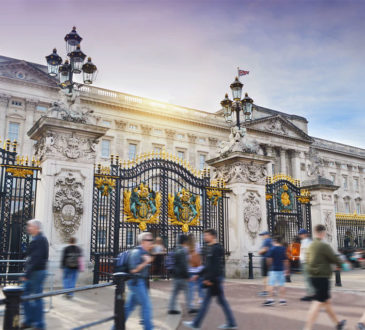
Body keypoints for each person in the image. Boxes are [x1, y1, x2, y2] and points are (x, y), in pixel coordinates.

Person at [183, 229, 237, 330]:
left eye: (206, 235)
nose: (205, 237)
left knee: (208, 302)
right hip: (215, 278)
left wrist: (210, 280)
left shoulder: (216, 248)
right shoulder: (210, 248)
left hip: (215, 279)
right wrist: (198, 275)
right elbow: (207, 266)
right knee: (220, 301)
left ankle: (196, 324)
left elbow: (216, 267)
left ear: (212, 236)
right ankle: (231, 322)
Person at [303, 224, 346, 330]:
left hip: (313, 276)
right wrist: (342, 265)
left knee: (326, 302)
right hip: (322, 277)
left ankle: (338, 323)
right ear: (323, 233)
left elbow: (307, 260)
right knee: (317, 303)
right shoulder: (323, 245)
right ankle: (307, 328)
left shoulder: (311, 245)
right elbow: (334, 258)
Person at [21, 219, 49, 330]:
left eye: (30, 226)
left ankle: (37, 323)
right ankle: (31, 321)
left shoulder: (39, 240)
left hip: (36, 272)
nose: (28, 228)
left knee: (33, 297)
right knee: (29, 296)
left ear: (37, 228)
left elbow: (36, 258)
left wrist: (27, 274)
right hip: (37, 271)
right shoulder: (39, 239)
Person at [125, 232, 154, 330]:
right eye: (149, 240)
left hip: (140, 282)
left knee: (129, 307)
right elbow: (133, 270)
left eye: (152, 240)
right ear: (142, 242)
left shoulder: (145, 252)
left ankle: (116, 326)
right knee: (147, 306)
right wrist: (146, 262)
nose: (151, 242)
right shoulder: (136, 252)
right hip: (136, 283)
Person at [263, 236, 289, 306]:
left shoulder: (272, 249)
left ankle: (270, 300)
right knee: (282, 285)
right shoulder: (283, 249)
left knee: (271, 285)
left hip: (273, 269)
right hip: (281, 269)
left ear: (275, 241)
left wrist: (269, 266)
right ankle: (282, 300)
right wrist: (286, 269)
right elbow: (286, 260)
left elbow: (268, 259)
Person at [168, 234, 191, 314]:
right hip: (182, 275)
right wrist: (187, 275)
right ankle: (190, 307)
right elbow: (184, 264)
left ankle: (171, 308)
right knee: (187, 291)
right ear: (184, 242)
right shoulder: (183, 251)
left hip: (176, 275)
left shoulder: (175, 249)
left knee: (174, 293)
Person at [187, 234, 204, 313]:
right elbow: (199, 257)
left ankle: (191, 303)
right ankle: (201, 299)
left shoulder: (186, 247)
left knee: (191, 288)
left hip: (189, 270)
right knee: (200, 286)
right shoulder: (197, 245)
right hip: (197, 269)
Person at [298, 228, 314, 301]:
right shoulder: (304, 241)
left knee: (308, 278)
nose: (300, 235)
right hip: (304, 262)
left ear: (305, 234)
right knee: (308, 278)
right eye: (300, 234)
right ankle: (312, 293)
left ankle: (310, 294)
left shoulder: (308, 242)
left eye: (301, 234)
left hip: (307, 262)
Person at [258, 231, 272, 296]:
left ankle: (265, 291)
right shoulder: (270, 240)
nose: (262, 236)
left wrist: (260, 252)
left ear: (267, 235)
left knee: (265, 276)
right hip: (269, 259)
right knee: (268, 275)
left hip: (265, 258)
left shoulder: (266, 241)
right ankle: (269, 290)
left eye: (263, 235)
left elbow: (265, 249)